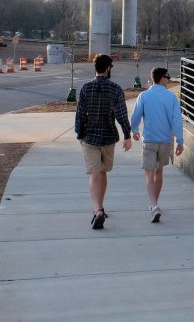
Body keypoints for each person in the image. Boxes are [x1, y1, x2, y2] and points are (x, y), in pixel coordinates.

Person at [75, 54, 132, 229]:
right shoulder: (115, 89)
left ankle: (97, 209)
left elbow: (80, 113)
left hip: (90, 137)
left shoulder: (86, 88)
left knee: (95, 173)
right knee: (103, 173)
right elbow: (121, 114)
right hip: (108, 136)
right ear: (107, 68)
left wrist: (79, 132)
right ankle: (101, 206)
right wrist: (127, 135)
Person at [130, 66, 185, 222]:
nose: (168, 80)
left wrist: (134, 130)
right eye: (168, 77)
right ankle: (154, 203)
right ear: (162, 78)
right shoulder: (172, 97)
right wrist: (180, 141)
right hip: (165, 140)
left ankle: (153, 205)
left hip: (149, 140)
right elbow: (177, 121)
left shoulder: (144, 96)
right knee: (158, 172)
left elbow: (136, 115)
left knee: (148, 173)